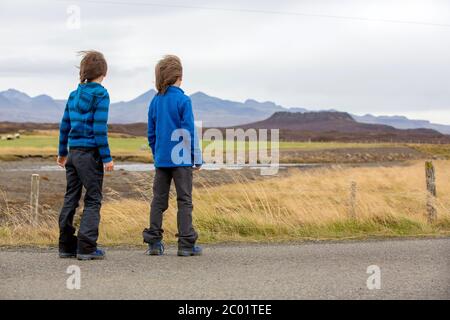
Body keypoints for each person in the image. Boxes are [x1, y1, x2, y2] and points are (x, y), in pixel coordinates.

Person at [143, 55, 203, 256]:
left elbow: (151, 133)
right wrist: (196, 157)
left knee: (158, 200)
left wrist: (157, 152)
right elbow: (188, 132)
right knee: (184, 200)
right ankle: (186, 245)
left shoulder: (155, 101)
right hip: (182, 159)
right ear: (180, 76)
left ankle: (154, 244)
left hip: (162, 159)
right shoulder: (184, 100)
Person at [57, 50, 114, 261]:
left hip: (73, 154)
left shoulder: (73, 95)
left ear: (84, 72)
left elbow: (65, 126)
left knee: (70, 197)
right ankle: (86, 248)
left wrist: (62, 153)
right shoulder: (101, 94)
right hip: (90, 156)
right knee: (93, 200)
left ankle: (66, 246)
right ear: (104, 73)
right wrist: (107, 157)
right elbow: (99, 128)